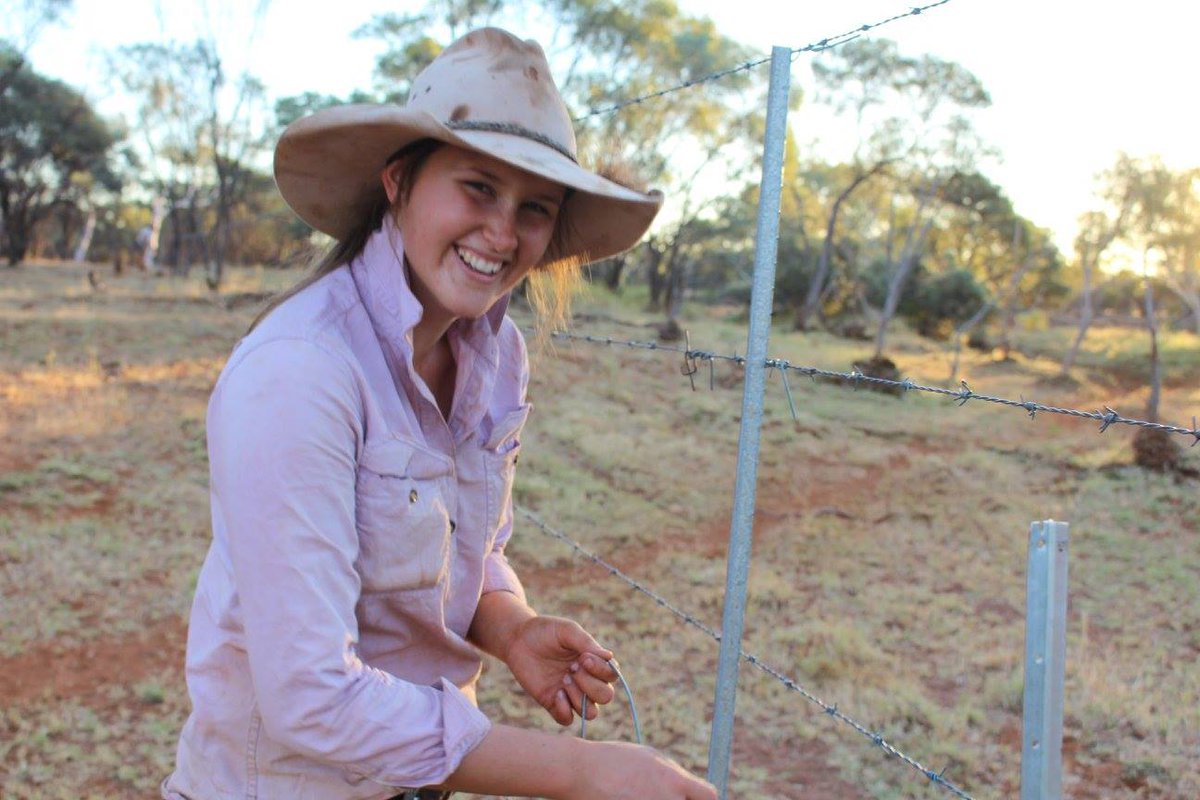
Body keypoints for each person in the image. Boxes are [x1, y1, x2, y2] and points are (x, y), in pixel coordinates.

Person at [162, 27, 716, 800]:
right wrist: (582, 770)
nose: (502, 233)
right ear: (398, 181)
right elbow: (309, 696)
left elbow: (468, 545)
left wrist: (511, 626)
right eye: (478, 187)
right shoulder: (299, 371)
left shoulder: (498, 355)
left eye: (535, 208)